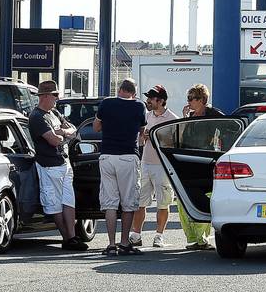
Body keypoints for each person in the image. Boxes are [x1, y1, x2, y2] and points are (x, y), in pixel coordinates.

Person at [27, 80, 88, 251]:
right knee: (54, 204)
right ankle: (67, 238)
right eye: (55, 95)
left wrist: (62, 132)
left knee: (68, 201)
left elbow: (73, 130)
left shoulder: (54, 112)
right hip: (49, 166)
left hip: (65, 162)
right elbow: (53, 141)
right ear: (44, 96)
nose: (57, 98)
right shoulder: (37, 117)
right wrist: (62, 135)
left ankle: (73, 237)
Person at [94, 78, 146, 255]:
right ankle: (124, 243)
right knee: (128, 203)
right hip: (127, 156)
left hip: (107, 155)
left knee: (110, 203)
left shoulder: (106, 104)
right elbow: (142, 132)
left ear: (119, 89)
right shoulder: (139, 106)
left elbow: (96, 127)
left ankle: (110, 244)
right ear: (133, 92)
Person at [129, 85, 179, 248]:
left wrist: (156, 137)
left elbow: (175, 144)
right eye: (148, 98)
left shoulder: (172, 118)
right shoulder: (146, 116)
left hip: (162, 166)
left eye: (151, 98)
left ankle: (159, 235)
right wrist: (143, 137)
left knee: (163, 203)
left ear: (161, 101)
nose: (148, 101)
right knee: (140, 201)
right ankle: (136, 234)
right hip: (145, 163)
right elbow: (140, 139)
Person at [177, 83, 223, 250]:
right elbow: (180, 140)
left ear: (202, 100)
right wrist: (184, 119)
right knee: (183, 199)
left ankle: (202, 238)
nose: (188, 102)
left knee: (207, 198)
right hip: (189, 162)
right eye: (188, 98)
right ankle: (192, 238)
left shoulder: (213, 114)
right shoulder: (190, 117)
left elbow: (229, 129)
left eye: (192, 98)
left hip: (207, 162)